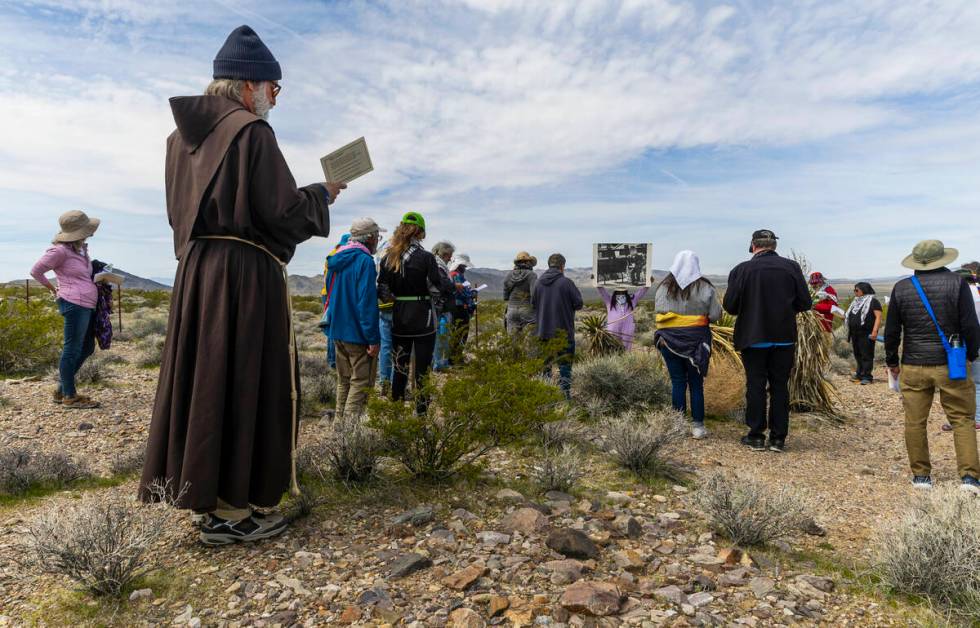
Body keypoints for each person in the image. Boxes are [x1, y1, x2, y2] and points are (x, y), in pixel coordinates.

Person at [140, 25, 346, 545]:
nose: (275, 98)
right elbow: (281, 213)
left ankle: (207, 499)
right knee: (240, 381)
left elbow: (184, 214)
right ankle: (233, 512)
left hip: (197, 273)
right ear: (251, 85)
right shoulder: (252, 132)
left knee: (208, 381)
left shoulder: (179, 140)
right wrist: (321, 193)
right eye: (274, 88)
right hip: (241, 278)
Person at [884, 241, 980, 493]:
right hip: (951, 364)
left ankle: (921, 477)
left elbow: (892, 330)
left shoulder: (901, 288)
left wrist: (892, 361)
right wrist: (970, 355)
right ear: (942, 260)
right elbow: (970, 324)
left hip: (914, 364)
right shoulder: (957, 284)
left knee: (915, 421)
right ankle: (969, 478)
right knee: (962, 419)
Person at [723, 229, 812, 452]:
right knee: (780, 386)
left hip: (753, 338)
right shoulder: (791, 267)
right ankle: (778, 438)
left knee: (755, 385)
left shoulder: (741, 270)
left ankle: (755, 435)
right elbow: (805, 302)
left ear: (753, 246)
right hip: (783, 337)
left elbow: (730, 306)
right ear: (774, 246)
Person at [378, 212, 452, 414]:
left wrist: (395, 298)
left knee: (399, 366)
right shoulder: (427, 258)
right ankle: (421, 413)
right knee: (422, 369)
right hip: (423, 317)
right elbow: (439, 286)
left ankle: (396, 412)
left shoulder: (388, 257)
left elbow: (382, 289)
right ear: (421, 233)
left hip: (399, 316)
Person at [30, 210, 101, 409]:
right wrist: (54, 289)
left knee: (87, 347)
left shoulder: (79, 250)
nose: (90, 234)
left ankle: (62, 389)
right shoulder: (59, 251)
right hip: (74, 303)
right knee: (72, 348)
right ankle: (69, 396)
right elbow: (36, 270)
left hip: (86, 303)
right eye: (87, 230)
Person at [654, 251, 722, 439]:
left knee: (677, 382)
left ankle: (678, 424)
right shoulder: (706, 288)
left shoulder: (663, 288)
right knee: (696, 384)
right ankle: (698, 427)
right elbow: (716, 315)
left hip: (667, 341)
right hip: (696, 343)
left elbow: (658, 312)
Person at [325, 218, 384, 420]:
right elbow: (366, 303)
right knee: (360, 382)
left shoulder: (337, 259)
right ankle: (348, 436)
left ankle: (338, 428)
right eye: (377, 236)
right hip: (356, 333)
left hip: (337, 330)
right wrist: (373, 338)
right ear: (369, 238)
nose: (377, 240)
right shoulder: (364, 261)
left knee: (344, 381)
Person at [532, 253, 584, 398]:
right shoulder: (566, 283)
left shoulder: (538, 283)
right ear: (562, 266)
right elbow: (579, 304)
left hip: (542, 331)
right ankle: (565, 397)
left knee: (545, 366)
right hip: (564, 332)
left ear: (549, 265)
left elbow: (533, 305)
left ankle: (546, 395)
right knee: (565, 366)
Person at [320, 233, 350, 369]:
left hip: (327, 293)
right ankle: (333, 361)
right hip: (332, 294)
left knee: (332, 327)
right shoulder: (339, 256)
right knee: (334, 328)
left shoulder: (332, 254)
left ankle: (331, 359)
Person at [845, 282, 883, 385]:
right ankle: (859, 374)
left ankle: (867, 376)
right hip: (855, 333)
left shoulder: (873, 301)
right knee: (858, 354)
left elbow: (878, 317)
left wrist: (875, 331)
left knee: (866, 354)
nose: (855, 292)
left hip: (867, 333)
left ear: (864, 290)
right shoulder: (855, 302)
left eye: (857, 290)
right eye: (854, 290)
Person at [597, 284, 649, 350]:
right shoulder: (609, 301)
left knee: (627, 348)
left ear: (626, 292)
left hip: (628, 327)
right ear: (615, 292)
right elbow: (602, 291)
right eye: (618, 292)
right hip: (613, 328)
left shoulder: (632, 300)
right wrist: (596, 282)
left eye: (623, 292)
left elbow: (641, 293)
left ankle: (625, 358)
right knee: (612, 347)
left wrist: (647, 285)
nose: (621, 294)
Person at [430, 241, 456, 371]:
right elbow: (444, 285)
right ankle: (439, 364)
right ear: (444, 254)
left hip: (441, 306)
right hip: (441, 307)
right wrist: (454, 286)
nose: (450, 258)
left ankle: (438, 362)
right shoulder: (438, 267)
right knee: (441, 336)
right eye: (449, 255)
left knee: (441, 336)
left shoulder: (438, 265)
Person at [449, 254, 478, 364]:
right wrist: (472, 294)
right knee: (462, 333)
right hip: (460, 307)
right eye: (464, 266)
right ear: (459, 265)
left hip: (454, 307)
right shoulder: (457, 275)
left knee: (456, 332)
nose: (465, 268)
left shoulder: (451, 274)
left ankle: (454, 357)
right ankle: (456, 359)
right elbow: (461, 292)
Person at [503, 251, 537, 334]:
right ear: (528, 262)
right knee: (531, 341)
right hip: (527, 310)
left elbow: (505, 297)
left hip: (511, 310)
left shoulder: (509, 275)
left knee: (513, 342)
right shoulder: (531, 275)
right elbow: (534, 295)